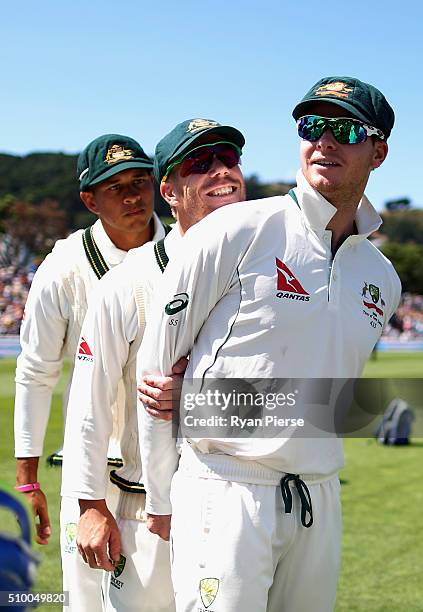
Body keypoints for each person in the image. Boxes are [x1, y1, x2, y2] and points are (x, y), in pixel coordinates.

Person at [137, 77, 402, 612]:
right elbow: (157, 371)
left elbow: (331, 389)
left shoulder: (382, 278)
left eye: (345, 129)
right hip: (226, 488)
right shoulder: (238, 229)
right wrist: (161, 497)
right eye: (312, 126)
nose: (324, 141)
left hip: (319, 494)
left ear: (379, 152)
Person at [60, 119, 246, 611]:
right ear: (168, 190)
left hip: (241, 502)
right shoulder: (127, 283)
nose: (221, 171)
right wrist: (90, 505)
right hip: (144, 509)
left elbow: (309, 395)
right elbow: (89, 401)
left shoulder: (267, 273)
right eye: (199, 163)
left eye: (229, 159)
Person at [14, 133, 167, 611]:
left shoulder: (189, 251)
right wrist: (28, 479)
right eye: (114, 186)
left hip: (170, 471)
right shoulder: (63, 267)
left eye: (140, 181)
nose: (132, 196)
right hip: (92, 475)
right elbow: (37, 371)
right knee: (86, 603)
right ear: (89, 198)